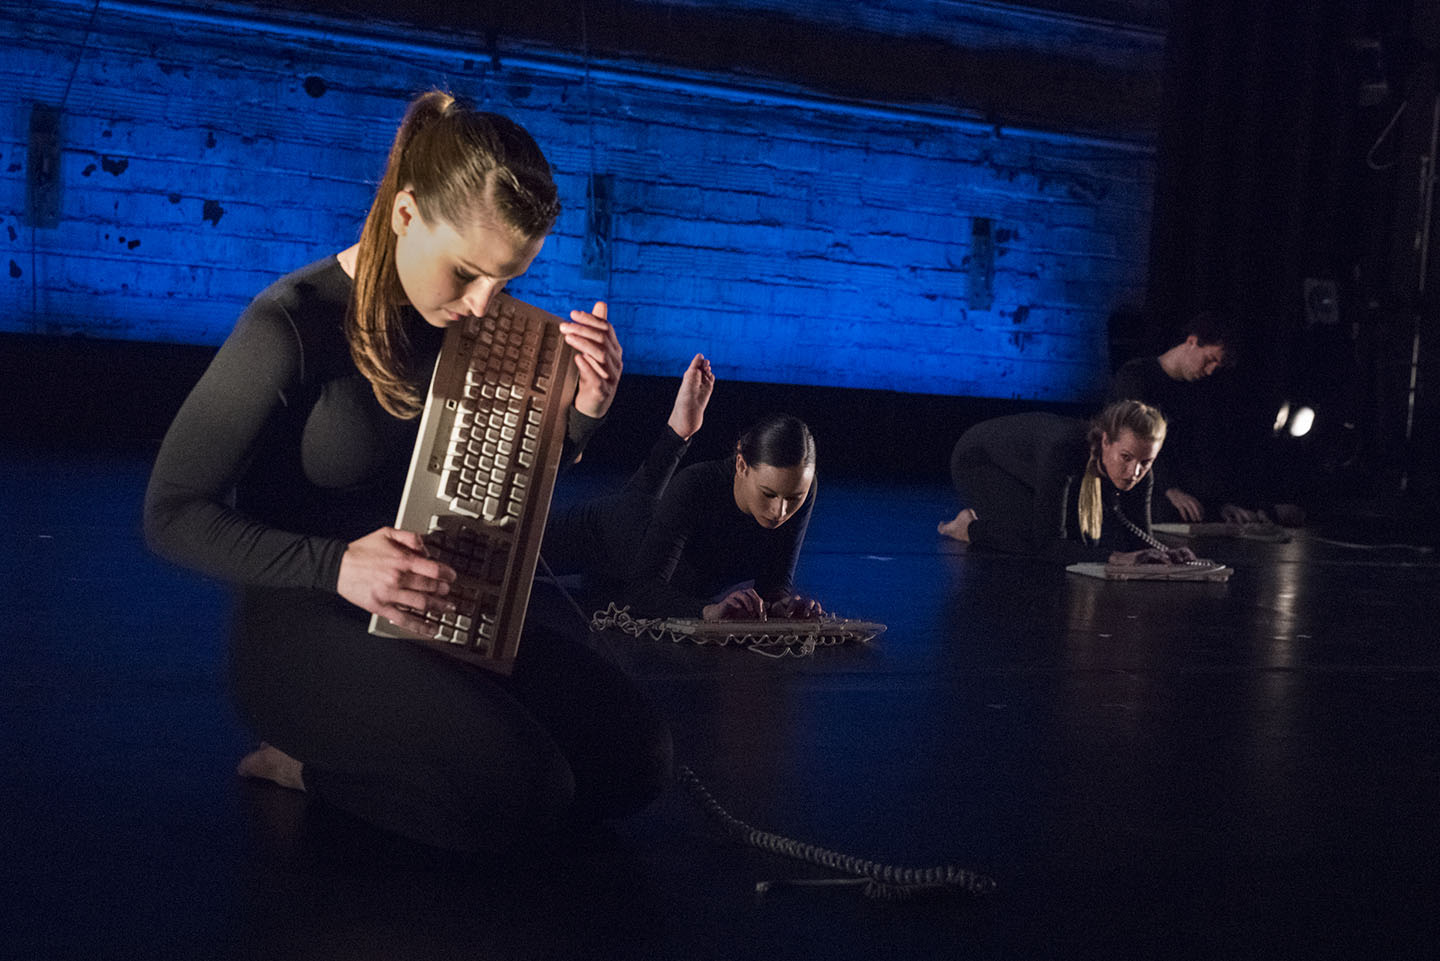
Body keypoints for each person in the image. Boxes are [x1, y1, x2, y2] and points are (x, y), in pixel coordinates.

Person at [143, 90, 671, 855]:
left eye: (506, 279)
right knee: (525, 793)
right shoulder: (288, 324)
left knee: (637, 760)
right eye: (466, 272)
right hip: (302, 622)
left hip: (433, 609)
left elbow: (506, 483)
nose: (484, 302)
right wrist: (338, 564)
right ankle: (303, 769)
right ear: (405, 215)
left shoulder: (470, 319)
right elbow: (170, 513)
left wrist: (583, 409)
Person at [543, 365, 823, 621]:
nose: (780, 512)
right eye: (768, 494)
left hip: (641, 569)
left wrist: (783, 605)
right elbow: (643, 591)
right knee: (505, 556)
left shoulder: (802, 490)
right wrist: (706, 611)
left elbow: (773, 585)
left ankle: (679, 430)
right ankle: (678, 430)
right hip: (603, 532)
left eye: (793, 499)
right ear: (741, 464)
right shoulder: (698, 483)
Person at [937, 400, 1196, 565]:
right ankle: (966, 527)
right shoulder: (1064, 450)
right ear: (1106, 442)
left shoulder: (1141, 471)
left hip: (1030, 469)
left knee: (1078, 540)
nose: (1134, 471)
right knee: (1032, 539)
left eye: (1146, 461)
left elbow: (1138, 536)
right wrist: (1115, 558)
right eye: (1126, 457)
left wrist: (1167, 554)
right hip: (981, 460)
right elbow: (1049, 544)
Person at [1108, 311, 1304, 526]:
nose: (1210, 371)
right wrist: (1170, 489)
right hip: (1148, 486)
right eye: (1209, 360)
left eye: (1216, 366)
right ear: (1192, 341)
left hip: (1189, 490)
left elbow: (1207, 453)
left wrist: (1222, 502)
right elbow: (1133, 446)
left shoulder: (1201, 392)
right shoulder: (1137, 377)